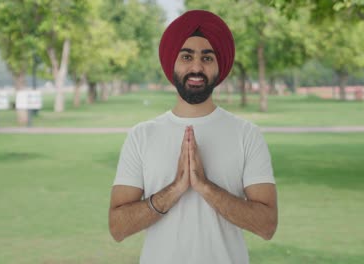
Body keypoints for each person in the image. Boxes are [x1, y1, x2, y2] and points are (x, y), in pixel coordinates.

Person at [109, 10, 277, 264]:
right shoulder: (141, 136)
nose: (197, 67)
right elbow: (118, 227)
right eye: (186, 56)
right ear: (172, 63)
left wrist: (205, 187)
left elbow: (267, 225)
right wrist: (175, 189)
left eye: (207, 58)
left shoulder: (247, 135)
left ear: (219, 66)